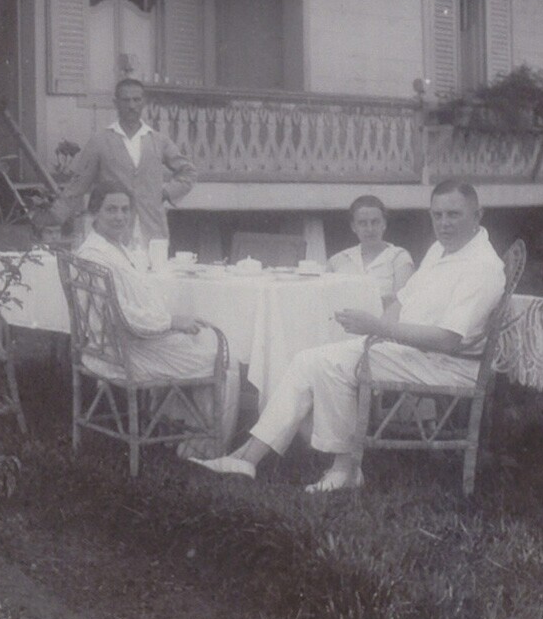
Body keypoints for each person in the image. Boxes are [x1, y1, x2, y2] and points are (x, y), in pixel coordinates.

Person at [190, 180, 505, 492]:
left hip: (448, 362)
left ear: (477, 215)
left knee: (333, 363)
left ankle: (345, 468)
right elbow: (403, 299)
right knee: (307, 359)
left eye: (454, 214)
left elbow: (449, 340)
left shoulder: (482, 266)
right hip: (413, 349)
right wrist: (379, 334)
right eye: (437, 215)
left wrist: (378, 329)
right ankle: (245, 458)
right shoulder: (442, 250)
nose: (444, 223)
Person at [75, 182, 240, 456]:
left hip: (110, 347)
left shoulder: (110, 248)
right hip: (124, 354)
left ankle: (177, 432)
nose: (120, 216)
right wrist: (171, 322)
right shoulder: (97, 256)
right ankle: (207, 448)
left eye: (125, 210)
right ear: (95, 212)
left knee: (198, 344)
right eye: (111, 210)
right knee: (224, 360)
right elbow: (122, 317)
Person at [51, 78, 196, 247]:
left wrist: (165, 193)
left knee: (153, 262)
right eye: (126, 100)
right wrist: (55, 216)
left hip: (152, 228)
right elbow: (78, 184)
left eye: (136, 100)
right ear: (116, 103)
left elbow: (188, 171)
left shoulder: (158, 140)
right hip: (113, 229)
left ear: (144, 102)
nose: (132, 105)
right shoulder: (100, 141)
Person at [327, 194, 415, 309]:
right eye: (363, 223)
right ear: (353, 227)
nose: (370, 229)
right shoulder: (338, 260)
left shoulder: (399, 257)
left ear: (384, 224)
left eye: (375, 222)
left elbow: (402, 302)